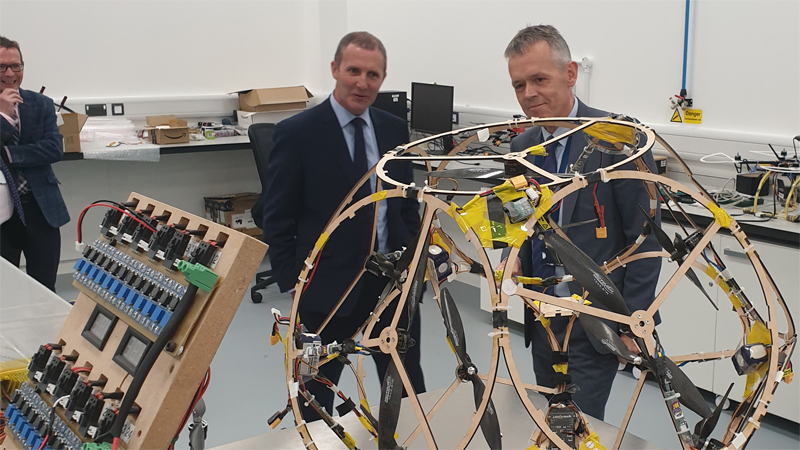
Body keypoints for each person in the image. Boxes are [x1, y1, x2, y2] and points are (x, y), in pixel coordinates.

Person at [500, 25, 662, 420]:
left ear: (570, 73)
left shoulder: (619, 141)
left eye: (539, 79)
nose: (529, 95)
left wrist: (633, 321)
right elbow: (517, 220)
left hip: (597, 320)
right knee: (549, 419)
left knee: (580, 424)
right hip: (542, 319)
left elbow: (646, 240)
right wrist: (512, 252)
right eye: (519, 85)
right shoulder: (521, 148)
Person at [261, 32, 425, 418]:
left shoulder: (393, 129)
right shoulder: (298, 133)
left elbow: (405, 202)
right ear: (335, 70)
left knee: (404, 383)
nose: (362, 82)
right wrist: (293, 283)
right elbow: (277, 216)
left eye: (373, 74)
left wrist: (415, 259)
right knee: (316, 390)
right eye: (353, 70)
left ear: (382, 79)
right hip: (327, 286)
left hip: (392, 283)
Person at [0, 36, 69, 292]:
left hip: (40, 209)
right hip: (2, 215)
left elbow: (53, 148)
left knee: (44, 286)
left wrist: (9, 154)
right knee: (4, 290)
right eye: (1, 67)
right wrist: (3, 115)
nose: (10, 73)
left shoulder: (39, 103)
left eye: (16, 66)